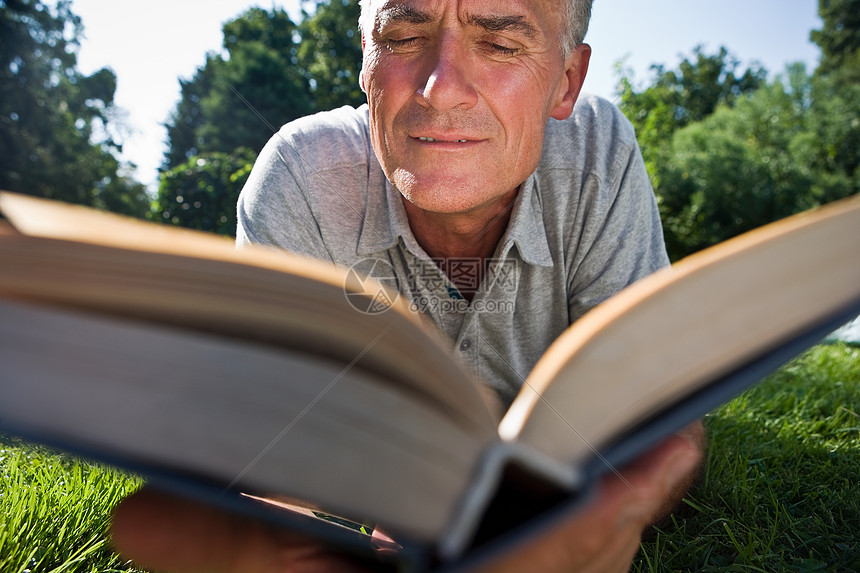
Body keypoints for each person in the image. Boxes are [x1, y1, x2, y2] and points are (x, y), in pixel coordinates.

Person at [110, 0, 705, 570]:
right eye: (403, 39)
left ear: (567, 81)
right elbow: (261, 425)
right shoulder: (301, 176)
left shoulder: (599, 154)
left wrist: (546, 523)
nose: (440, 87)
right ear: (366, 58)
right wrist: (265, 533)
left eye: (499, 44)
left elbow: (662, 419)